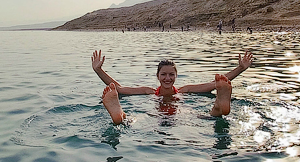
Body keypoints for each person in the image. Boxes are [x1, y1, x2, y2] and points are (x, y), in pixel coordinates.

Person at [91, 50, 254, 124]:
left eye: (171, 75)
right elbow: (118, 89)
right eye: (164, 75)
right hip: (159, 115)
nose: (167, 78)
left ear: (176, 76)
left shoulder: (185, 90)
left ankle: (220, 106)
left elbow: (216, 84)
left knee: (136, 122)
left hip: (175, 115)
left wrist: (240, 68)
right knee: (204, 118)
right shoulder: (148, 91)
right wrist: (99, 70)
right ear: (158, 76)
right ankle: (119, 115)